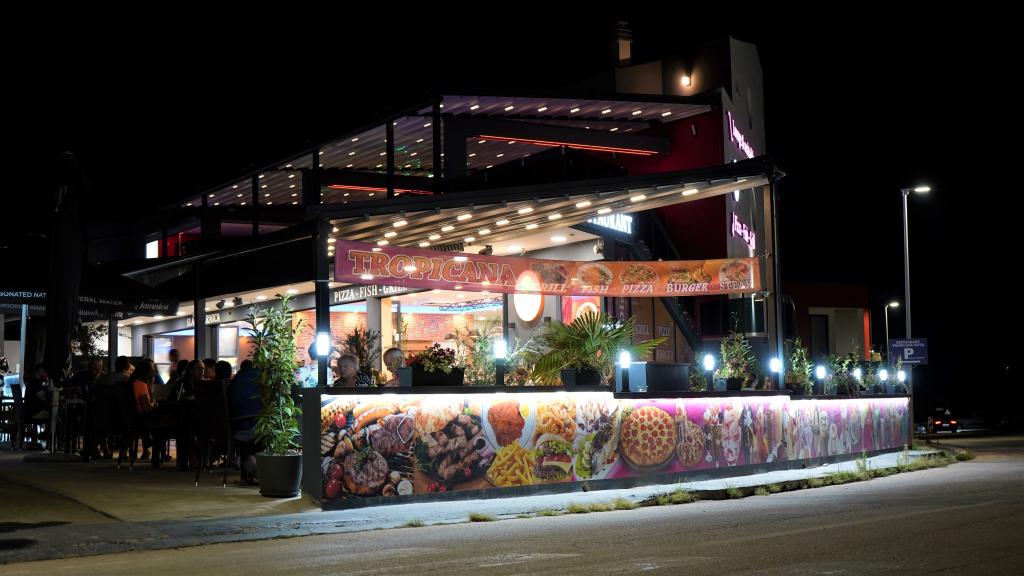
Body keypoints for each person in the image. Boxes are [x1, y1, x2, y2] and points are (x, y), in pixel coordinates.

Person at [228, 359, 262, 484]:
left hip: (235, 425)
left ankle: (247, 469)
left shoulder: (236, 379)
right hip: (253, 424)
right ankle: (257, 467)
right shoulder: (259, 377)